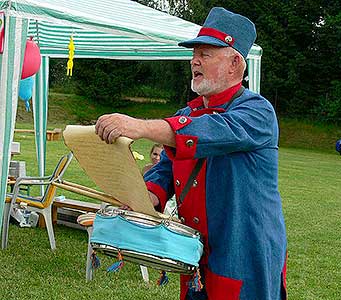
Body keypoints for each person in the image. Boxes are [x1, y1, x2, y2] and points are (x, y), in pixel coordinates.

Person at [95, 7, 287, 300]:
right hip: (196, 251)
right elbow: (168, 166)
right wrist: (148, 197)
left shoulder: (257, 111)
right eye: (194, 54)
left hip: (245, 252)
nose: (194, 61)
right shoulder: (189, 112)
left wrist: (139, 127)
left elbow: (210, 131)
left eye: (206, 54)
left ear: (235, 63)